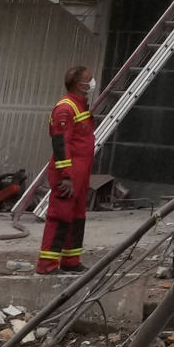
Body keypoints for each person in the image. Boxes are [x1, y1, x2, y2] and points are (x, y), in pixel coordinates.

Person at [37, 64, 98, 275]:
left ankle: (71, 261)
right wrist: (67, 177)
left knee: (77, 216)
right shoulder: (65, 108)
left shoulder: (79, 105)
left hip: (80, 173)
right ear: (80, 85)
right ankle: (48, 265)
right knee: (60, 215)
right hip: (69, 173)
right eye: (89, 79)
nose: (92, 83)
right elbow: (61, 144)